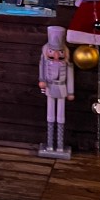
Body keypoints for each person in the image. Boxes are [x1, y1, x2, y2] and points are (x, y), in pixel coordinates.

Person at [38, 24, 74, 157]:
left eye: (60, 52)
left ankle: (59, 144)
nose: (57, 55)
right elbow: (42, 69)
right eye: (52, 52)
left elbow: (70, 78)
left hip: (62, 88)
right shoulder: (45, 61)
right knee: (50, 114)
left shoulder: (67, 65)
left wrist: (70, 92)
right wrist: (42, 80)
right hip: (50, 87)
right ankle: (49, 143)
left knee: (60, 115)